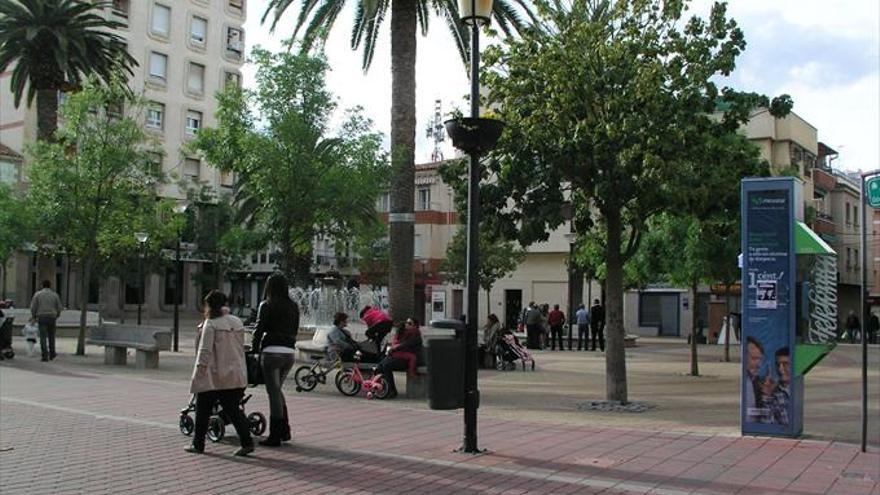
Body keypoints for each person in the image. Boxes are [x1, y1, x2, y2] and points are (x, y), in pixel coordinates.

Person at [186, 290, 254, 456]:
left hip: (213, 374)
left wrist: (198, 373)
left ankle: (198, 444)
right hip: (234, 373)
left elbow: (205, 351)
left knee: (202, 409)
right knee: (233, 410)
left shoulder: (211, 323)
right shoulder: (237, 322)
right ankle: (247, 442)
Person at [251, 273, 299, 447]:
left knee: (273, 393)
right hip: (289, 353)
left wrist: (254, 349)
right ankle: (284, 430)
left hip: (271, 352)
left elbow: (258, 329)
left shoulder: (266, 304)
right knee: (277, 391)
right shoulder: (294, 306)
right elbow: (295, 330)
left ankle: (275, 435)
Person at [375, 318, 423, 399]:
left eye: (409, 323)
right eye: (406, 322)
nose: (406, 324)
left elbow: (406, 345)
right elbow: (397, 343)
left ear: (415, 326)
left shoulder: (416, 334)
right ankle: (382, 388)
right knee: (381, 366)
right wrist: (393, 348)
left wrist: (394, 348)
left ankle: (391, 390)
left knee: (387, 366)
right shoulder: (404, 333)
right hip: (400, 357)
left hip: (409, 360)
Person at [29, 280, 63, 362]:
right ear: (50, 285)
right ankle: (52, 353)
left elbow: (33, 307)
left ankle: (44, 355)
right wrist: (57, 315)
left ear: (42, 285)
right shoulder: (55, 295)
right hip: (52, 317)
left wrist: (34, 316)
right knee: (52, 336)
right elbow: (59, 307)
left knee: (43, 337)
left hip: (42, 317)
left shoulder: (38, 295)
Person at [744, 336, 764, 422]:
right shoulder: (744, 383)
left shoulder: (758, 381)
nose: (759, 364)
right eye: (754, 359)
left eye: (760, 359)